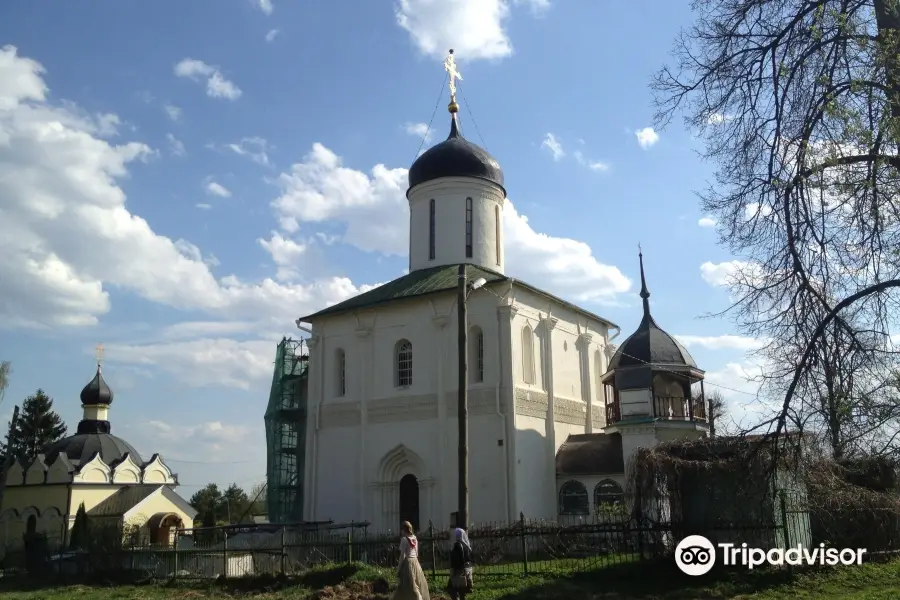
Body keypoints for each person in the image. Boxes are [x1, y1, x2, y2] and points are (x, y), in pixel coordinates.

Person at [392, 521, 431, 600]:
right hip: (415, 562)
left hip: (408, 563)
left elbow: (402, 555)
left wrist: (399, 568)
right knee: (418, 582)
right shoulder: (415, 538)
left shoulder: (404, 539)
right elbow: (416, 553)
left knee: (409, 585)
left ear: (404, 529)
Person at [447, 527, 473, 600]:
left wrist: (455, 570)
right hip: (468, 568)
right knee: (462, 590)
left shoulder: (457, 545)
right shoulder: (467, 545)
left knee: (452, 589)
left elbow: (457, 559)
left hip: (460, 570)